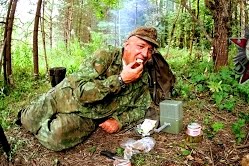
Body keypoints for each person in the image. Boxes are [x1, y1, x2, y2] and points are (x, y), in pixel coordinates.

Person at [18, 27, 159, 151]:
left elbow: (142, 107)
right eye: (141, 46)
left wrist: (119, 121)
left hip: (92, 115)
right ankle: (31, 114)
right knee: (28, 120)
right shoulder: (106, 56)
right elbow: (81, 91)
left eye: (150, 50)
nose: (145, 54)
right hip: (67, 96)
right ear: (127, 44)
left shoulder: (143, 76)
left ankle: (47, 123)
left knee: (56, 138)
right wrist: (120, 80)